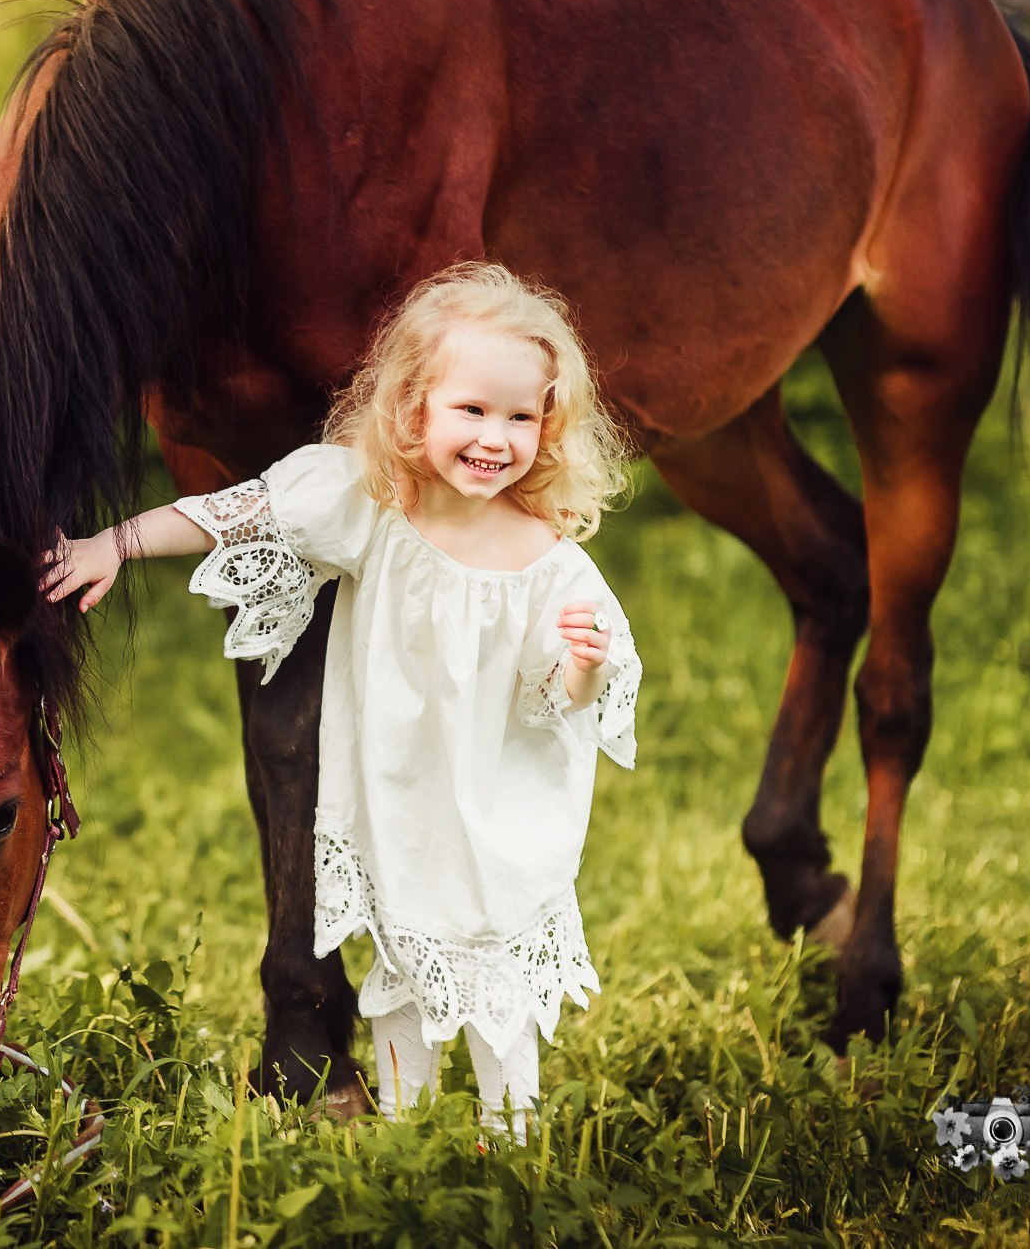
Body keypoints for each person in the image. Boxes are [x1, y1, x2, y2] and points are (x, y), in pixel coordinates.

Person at [42, 261, 639, 1139]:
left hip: (497, 802)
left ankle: (512, 1139)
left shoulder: (550, 562)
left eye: (520, 416)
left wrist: (584, 665)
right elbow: (239, 514)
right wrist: (116, 543)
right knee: (399, 947)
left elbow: (560, 699)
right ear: (413, 409)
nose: (495, 436)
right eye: (471, 409)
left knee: (497, 969)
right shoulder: (371, 506)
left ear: (547, 428)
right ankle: (402, 1136)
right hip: (398, 796)